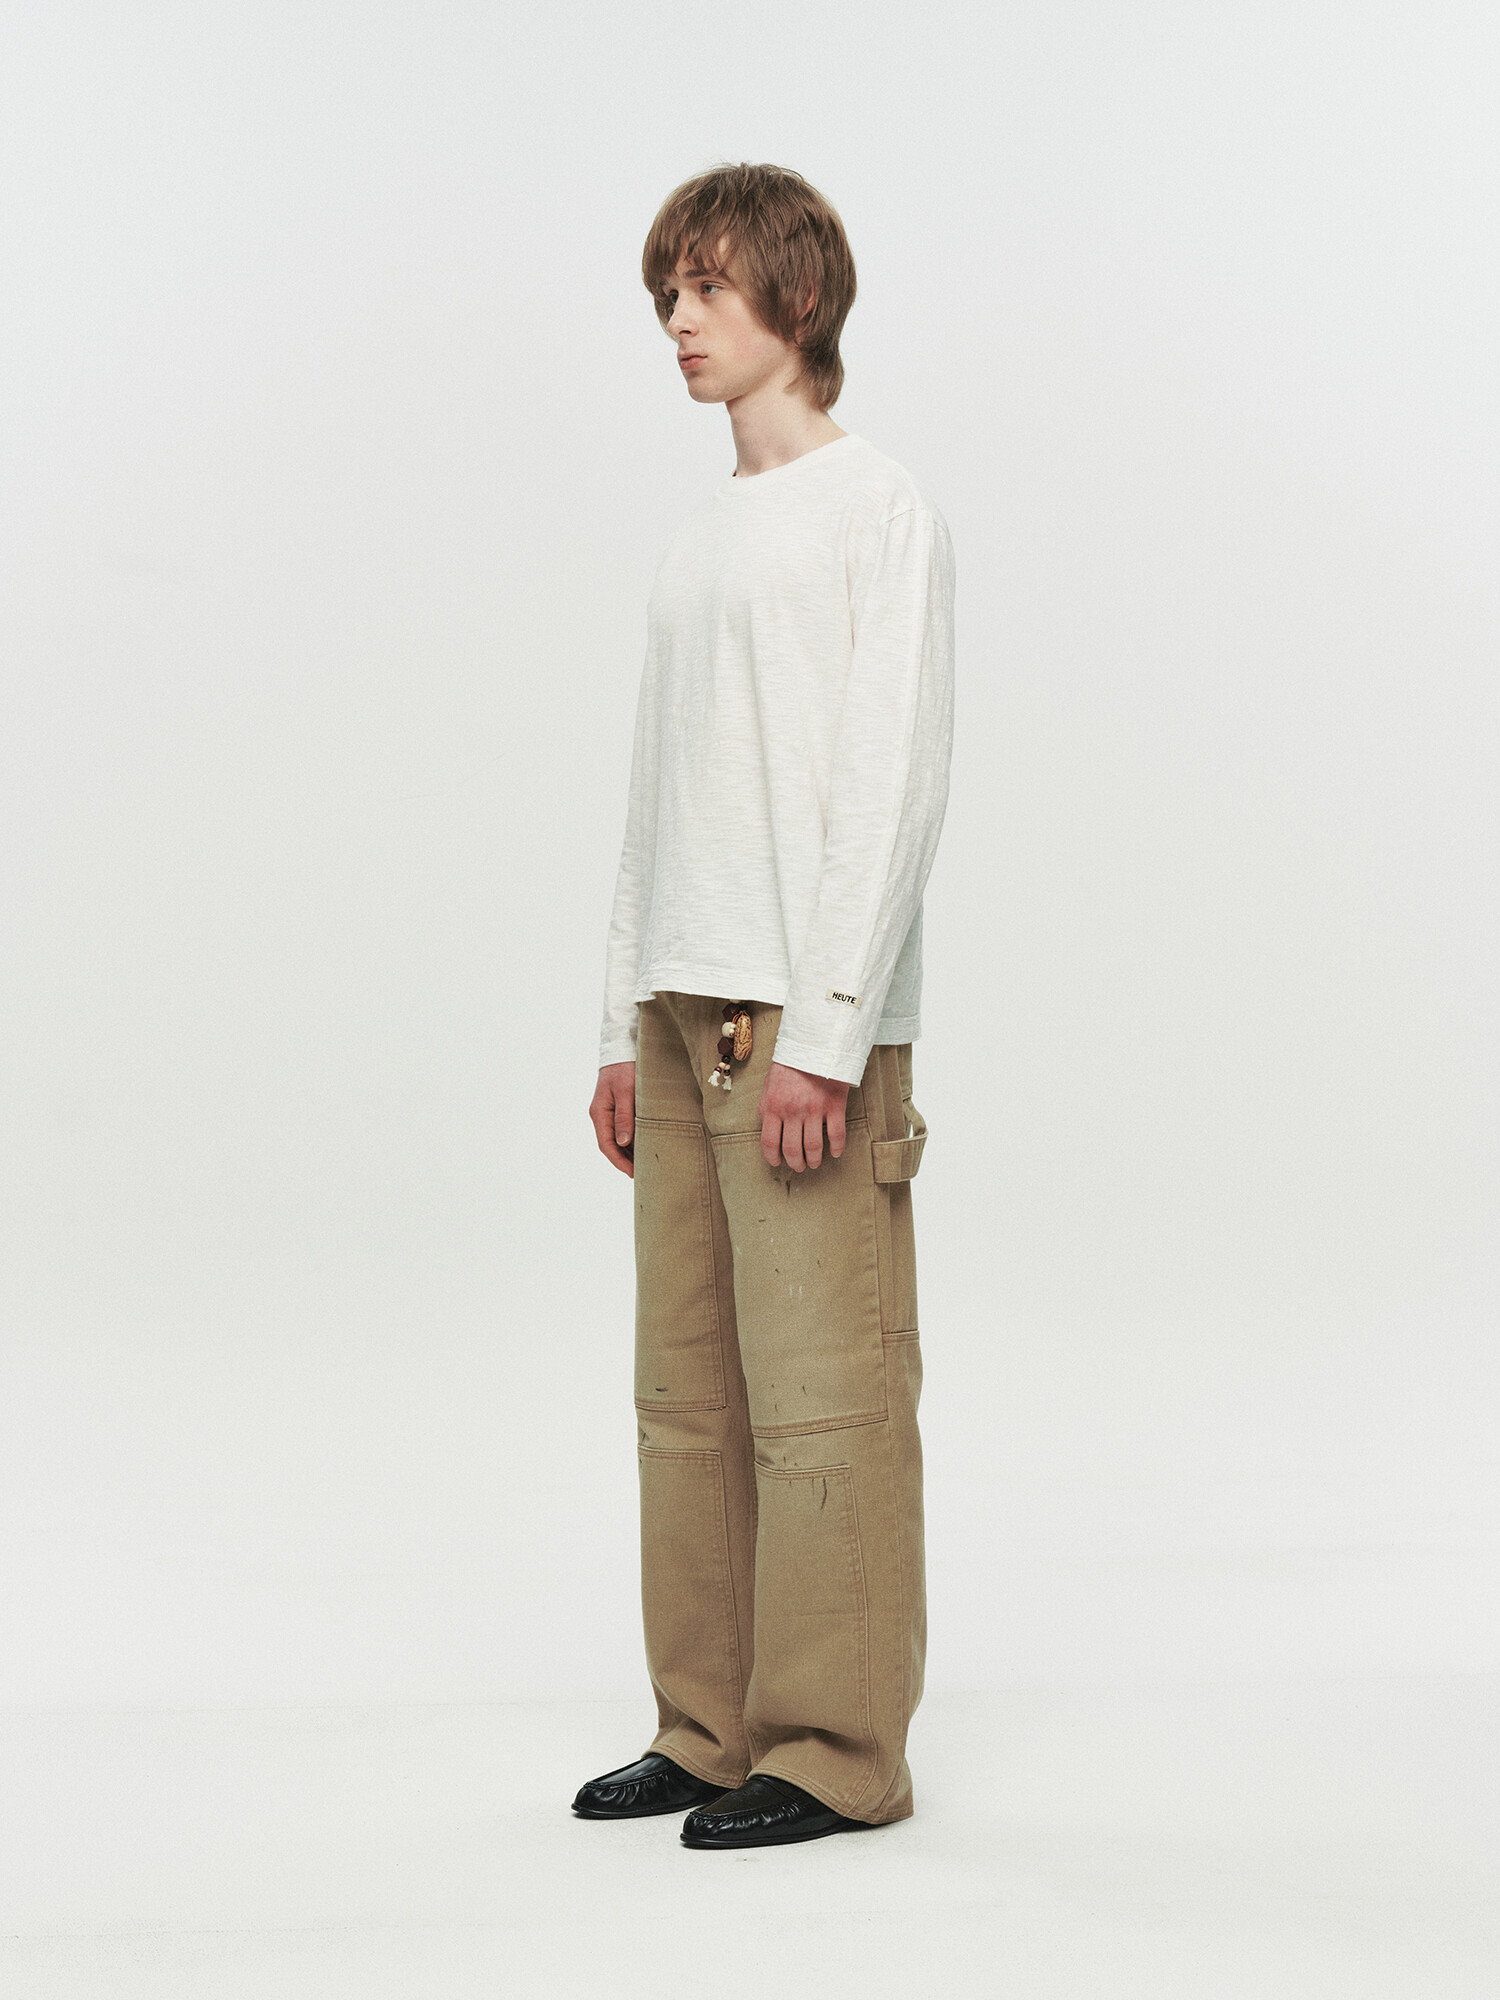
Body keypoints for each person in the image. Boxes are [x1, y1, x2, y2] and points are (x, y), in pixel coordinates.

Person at [579, 162, 955, 1850]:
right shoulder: (695, 537)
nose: (678, 320)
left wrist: (830, 1032)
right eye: (669, 292)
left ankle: (836, 1749)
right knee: (688, 1398)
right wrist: (617, 1024)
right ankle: (709, 1724)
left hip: (799, 1025)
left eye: (707, 289)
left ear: (795, 301)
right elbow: (656, 797)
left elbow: (893, 784)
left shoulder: (881, 509)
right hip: (682, 1010)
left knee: (824, 1397)